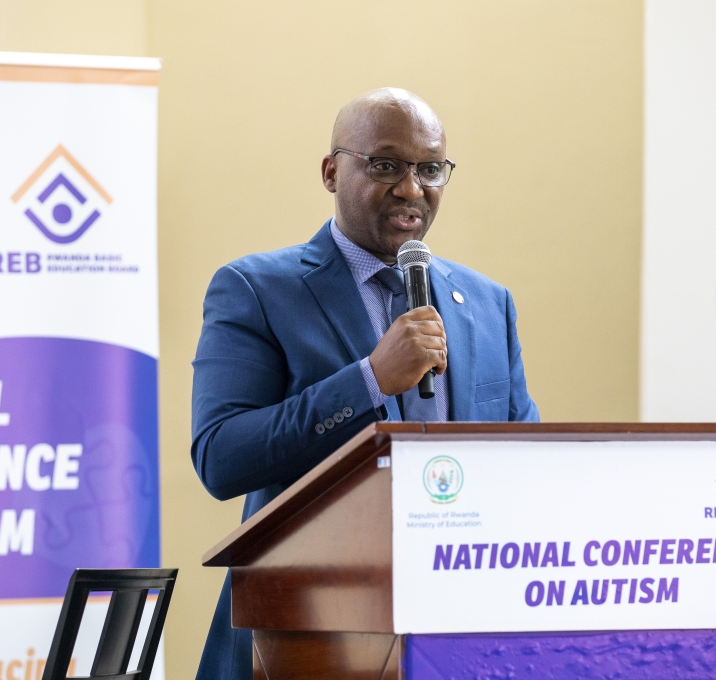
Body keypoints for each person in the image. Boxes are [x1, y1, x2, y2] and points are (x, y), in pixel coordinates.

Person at [191, 87, 539, 679]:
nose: (411, 189)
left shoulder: (486, 302)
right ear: (332, 172)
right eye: (385, 165)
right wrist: (370, 381)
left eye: (430, 169)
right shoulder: (257, 289)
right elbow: (222, 457)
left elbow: (525, 463)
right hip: (307, 633)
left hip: (460, 631)